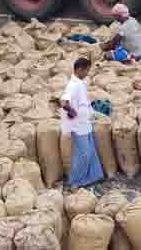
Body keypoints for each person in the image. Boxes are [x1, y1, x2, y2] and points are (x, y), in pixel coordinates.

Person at [60, 58, 104, 187]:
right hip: (78, 126)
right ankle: (74, 182)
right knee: (83, 154)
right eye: (87, 71)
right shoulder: (73, 85)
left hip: (85, 124)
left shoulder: (79, 83)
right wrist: (72, 111)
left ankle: (94, 176)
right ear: (80, 69)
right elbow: (63, 102)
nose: (87, 74)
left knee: (90, 150)